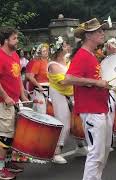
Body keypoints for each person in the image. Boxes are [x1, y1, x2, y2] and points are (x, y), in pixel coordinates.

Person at [64, 18, 112, 180]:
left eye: (102, 30)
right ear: (88, 35)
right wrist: (96, 82)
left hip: (100, 108)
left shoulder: (91, 54)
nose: (102, 33)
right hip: (91, 110)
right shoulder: (82, 55)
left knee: (103, 151)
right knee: (96, 153)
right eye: (99, 31)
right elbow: (69, 78)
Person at [0, 27, 29, 180]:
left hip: (12, 100)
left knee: (11, 133)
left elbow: (17, 77)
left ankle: (7, 163)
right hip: (0, 101)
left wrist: (23, 95)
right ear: (5, 41)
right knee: (5, 135)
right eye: (14, 38)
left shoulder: (15, 55)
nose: (17, 41)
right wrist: (5, 97)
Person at [47, 36, 88, 164]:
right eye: (65, 46)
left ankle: (80, 146)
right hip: (59, 93)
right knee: (63, 121)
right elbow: (65, 81)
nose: (68, 47)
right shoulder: (53, 65)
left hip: (71, 93)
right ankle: (56, 152)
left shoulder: (67, 60)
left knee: (77, 119)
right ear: (59, 49)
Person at [25, 43, 50, 114]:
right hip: (40, 90)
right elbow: (30, 77)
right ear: (40, 53)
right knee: (42, 111)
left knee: (47, 111)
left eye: (46, 50)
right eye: (44, 51)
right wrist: (39, 86)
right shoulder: (37, 63)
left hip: (49, 90)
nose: (46, 52)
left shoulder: (49, 62)